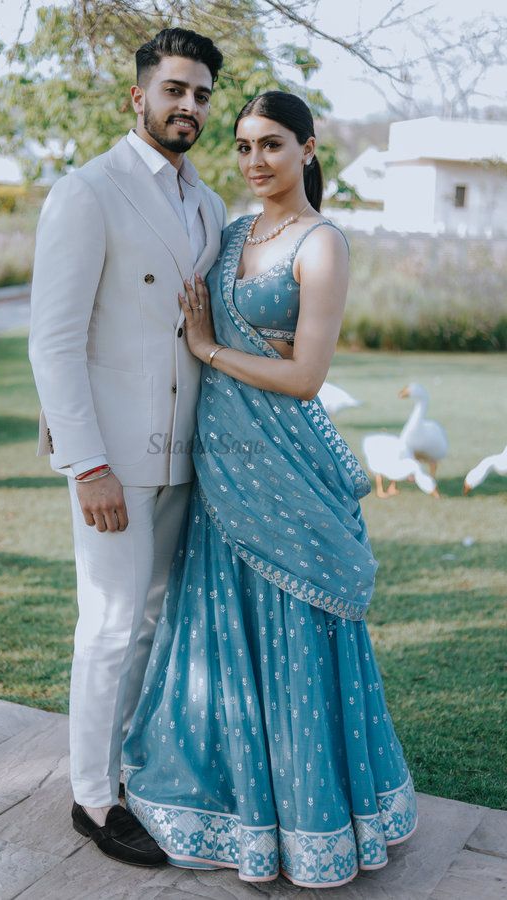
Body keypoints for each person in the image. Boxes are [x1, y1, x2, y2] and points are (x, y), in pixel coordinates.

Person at [122, 91, 418, 888]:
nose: (256, 161)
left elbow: (305, 376)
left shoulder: (321, 245)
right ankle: (231, 809)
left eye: (273, 145)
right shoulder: (228, 235)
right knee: (222, 641)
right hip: (223, 473)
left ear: (309, 150)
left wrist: (209, 349)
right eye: (246, 145)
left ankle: (314, 820)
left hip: (288, 469)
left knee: (295, 638)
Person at [28, 27, 226, 866]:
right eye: (174, 89)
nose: (188, 105)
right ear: (136, 98)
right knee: (108, 628)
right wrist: (87, 464)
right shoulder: (88, 191)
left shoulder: (209, 203)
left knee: (149, 624)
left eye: (201, 93)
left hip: (187, 453)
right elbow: (53, 341)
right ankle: (92, 799)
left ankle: (125, 773)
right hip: (112, 458)